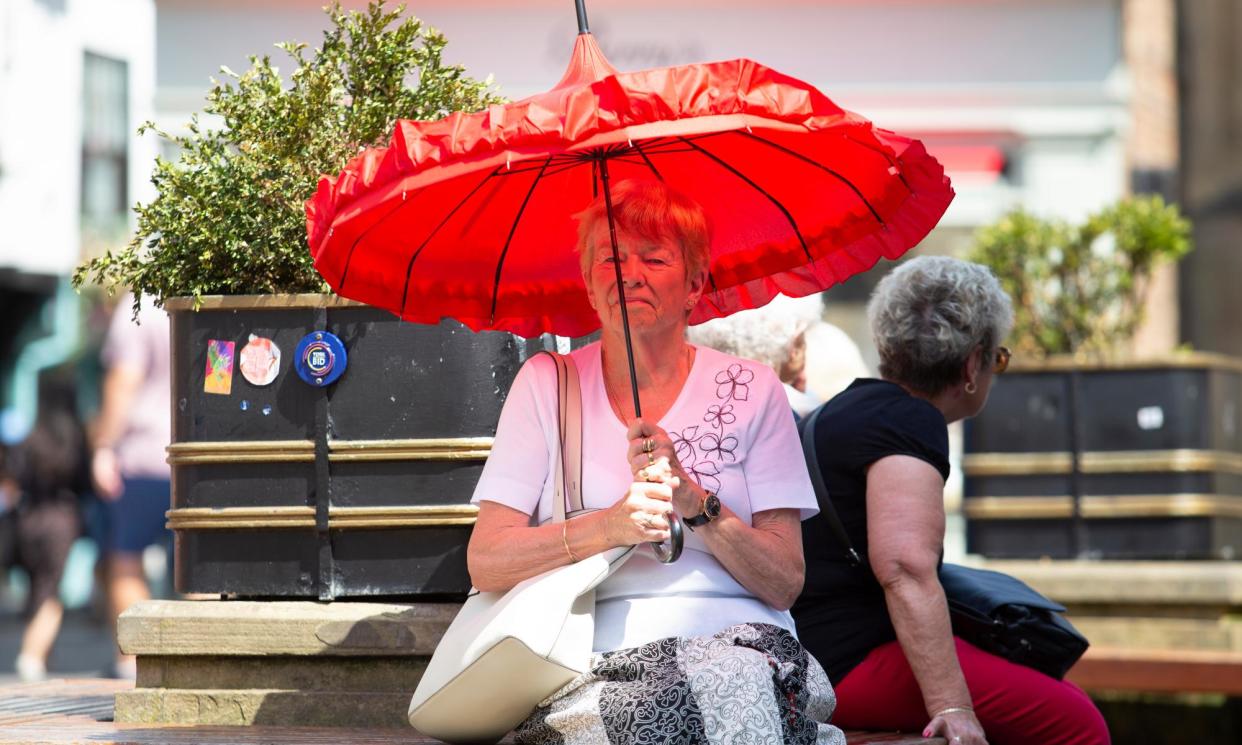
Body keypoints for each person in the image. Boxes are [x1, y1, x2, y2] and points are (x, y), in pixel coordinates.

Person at [467, 179, 844, 744]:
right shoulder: (548, 384)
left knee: (728, 693)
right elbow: (487, 561)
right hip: (587, 658)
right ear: (590, 285)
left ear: (695, 284)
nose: (629, 273)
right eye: (610, 258)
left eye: (654, 257)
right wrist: (610, 525)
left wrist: (695, 505)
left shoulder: (752, 387)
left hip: (743, 648)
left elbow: (785, 581)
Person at [792, 256, 1109, 745]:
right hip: (845, 660)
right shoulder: (909, 421)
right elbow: (905, 568)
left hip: (810, 650)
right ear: (969, 366)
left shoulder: (844, 409)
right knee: (1074, 722)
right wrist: (952, 706)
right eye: (997, 359)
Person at [90, 293, 172, 679]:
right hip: (198, 453)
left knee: (125, 559)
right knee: (202, 568)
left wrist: (104, 445)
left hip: (142, 453)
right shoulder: (208, 295)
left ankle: (133, 662)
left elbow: (124, 379)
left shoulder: (139, 307)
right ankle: (213, 656)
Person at [4, 405, 90, 681]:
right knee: (50, 591)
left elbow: (13, 481)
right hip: (61, 522)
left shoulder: (28, 446)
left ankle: (41, 654)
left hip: (27, 521)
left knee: (36, 587)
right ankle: (32, 655)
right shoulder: (73, 448)